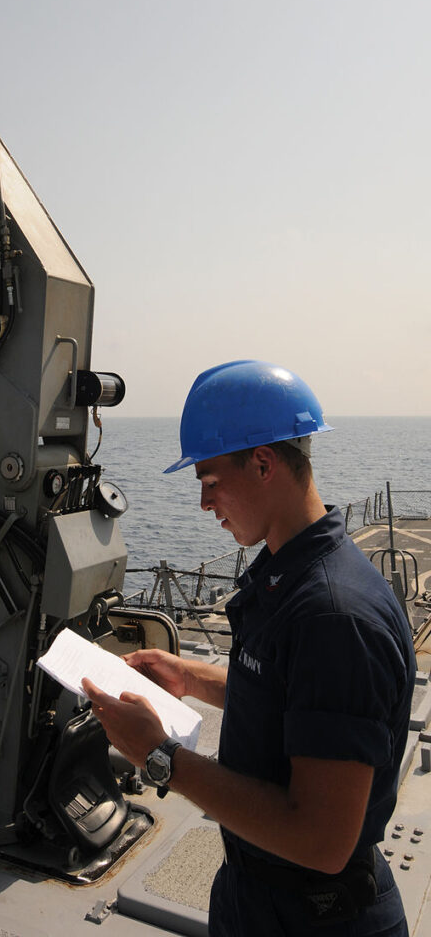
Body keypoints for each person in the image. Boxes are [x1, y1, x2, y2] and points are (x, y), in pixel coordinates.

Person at [83, 360, 415, 936]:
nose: (204, 504)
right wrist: (188, 676)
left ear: (263, 463)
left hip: (317, 918)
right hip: (260, 896)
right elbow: (292, 702)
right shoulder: (293, 574)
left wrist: (158, 756)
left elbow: (321, 840)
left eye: (210, 481)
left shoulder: (334, 617)